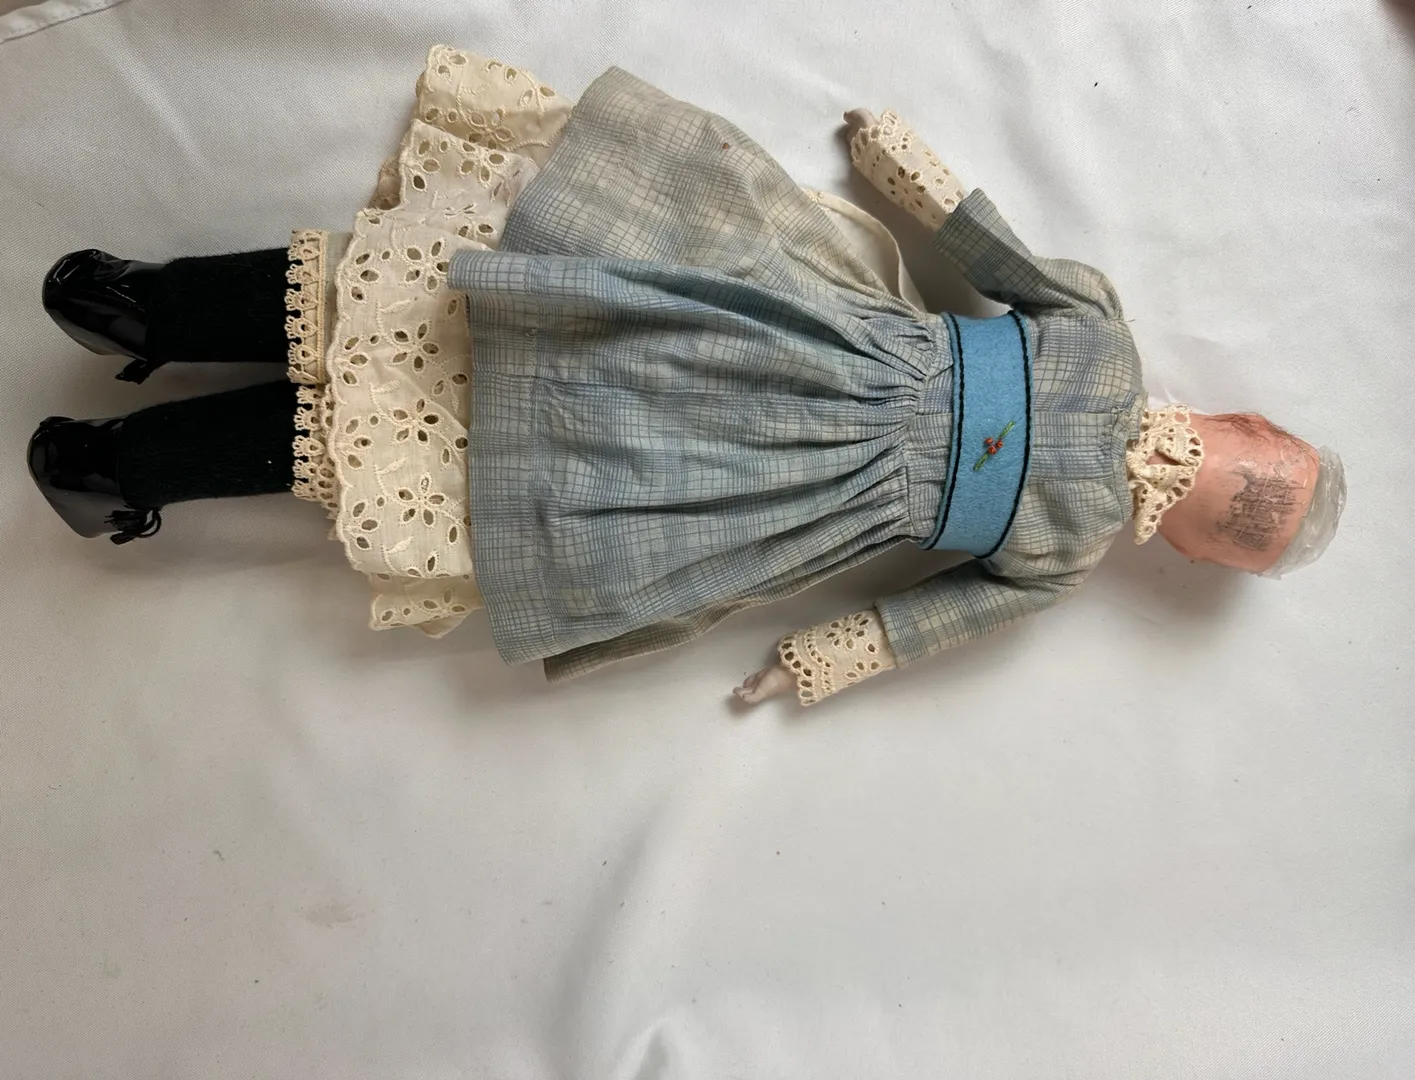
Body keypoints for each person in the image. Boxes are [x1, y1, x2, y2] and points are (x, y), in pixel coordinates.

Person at [27, 48, 1346, 706]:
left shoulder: (1083, 451)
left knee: (462, 381)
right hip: (775, 411)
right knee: (460, 371)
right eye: (1229, 498)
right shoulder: (1083, 443)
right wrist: (908, 167)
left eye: (1223, 512)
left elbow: (916, 625)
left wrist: (815, 660)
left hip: (774, 422)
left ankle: (144, 369)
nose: (1190, 492)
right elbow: (987, 252)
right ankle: (141, 392)